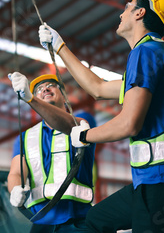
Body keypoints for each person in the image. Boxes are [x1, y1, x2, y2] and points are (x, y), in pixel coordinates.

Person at [36, 0, 164, 232]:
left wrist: (84, 135)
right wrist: (59, 47)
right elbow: (98, 88)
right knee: (96, 222)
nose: (121, 14)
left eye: (126, 8)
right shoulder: (159, 54)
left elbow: (129, 123)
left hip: (162, 179)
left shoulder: (146, 52)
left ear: (139, 13)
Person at [7, 73, 97, 232]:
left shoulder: (80, 122)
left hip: (78, 220)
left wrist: (31, 99)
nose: (45, 89)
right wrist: (14, 189)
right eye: (39, 89)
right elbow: (16, 173)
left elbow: (66, 123)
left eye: (51, 85)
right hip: (41, 223)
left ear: (64, 95)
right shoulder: (25, 137)